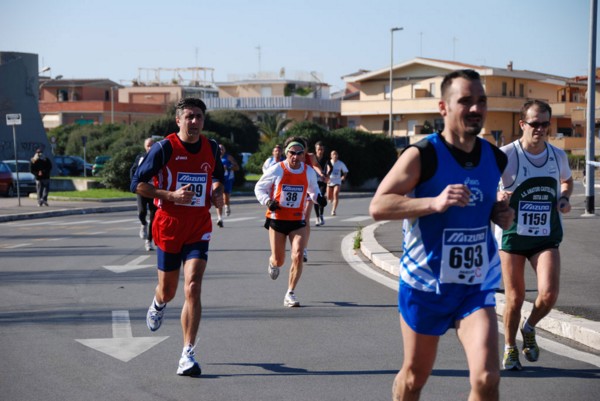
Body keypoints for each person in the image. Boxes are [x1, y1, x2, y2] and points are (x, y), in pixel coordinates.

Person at [369, 69, 514, 401]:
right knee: (415, 377)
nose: (475, 108)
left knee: (488, 377)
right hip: (425, 284)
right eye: (465, 101)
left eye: (481, 101)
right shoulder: (424, 155)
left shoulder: (494, 156)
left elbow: (488, 202)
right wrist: (433, 203)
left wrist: (499, 212)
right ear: (443, 107)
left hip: (474, 285)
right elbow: (379, 205)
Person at [130, 97, 224, 377]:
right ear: (178, 120)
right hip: (169, 224)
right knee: (169, 291)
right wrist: (169, 195)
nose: (194, 121)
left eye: (198, 116)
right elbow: (137, 184)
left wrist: (217, 190)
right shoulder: (164, 148)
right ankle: (158, 303)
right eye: (189, 117)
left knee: (193, 286)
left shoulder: (212, 147)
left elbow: (217, 175)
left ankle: (187, 353)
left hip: (198, 225)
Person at [496, 99, 573, 371]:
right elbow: (489, 185)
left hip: (545, 236)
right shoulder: (506, 155)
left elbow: (567, 180)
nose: (540, 129)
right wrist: (499, 196)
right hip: (513, 237)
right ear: (522, 124)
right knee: (515, 298)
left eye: (545, 124)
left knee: (549, 293)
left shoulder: (557, 156)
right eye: (534, 123)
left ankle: (529, 328)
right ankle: (510, 348)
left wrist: (563, 197)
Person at [254, 136, 326, 307]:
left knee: (298, 254)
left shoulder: (308, 171)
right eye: (292, 153)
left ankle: (290, 293)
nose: (295, 156)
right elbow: (259, 187)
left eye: (299, 153)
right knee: (280, 260)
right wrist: (267, 201)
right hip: (277, 219)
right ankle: (272, 261)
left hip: (297, 220)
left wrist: (319, 199)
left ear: (303, 155)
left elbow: (313, 191)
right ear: (287, 153)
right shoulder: (277, 169)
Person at [130, 138, 157, 251]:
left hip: (154, 191)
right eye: (148, 145)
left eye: (152, 145)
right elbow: (133, 171)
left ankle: (149, 241)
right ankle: (143, 224)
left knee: (153, 217)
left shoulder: (159, 157)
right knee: (142, 212)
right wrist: (134, 184)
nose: (150, 147)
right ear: (145, 147)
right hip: (142, 189)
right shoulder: (140, 157)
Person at [215, 144, 239, 227]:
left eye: (222, 149)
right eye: (219, 149)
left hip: (227, 179)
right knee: (218, 197)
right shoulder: (214, 156)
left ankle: (227, 206)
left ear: (224, 150)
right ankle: (219, 218)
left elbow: (236, 167)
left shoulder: (228, 157)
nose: (221, 150)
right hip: (217, 180)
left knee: (226, 196)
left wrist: (228, 167)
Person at [313, 141, 330, 226]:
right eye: (318, 149)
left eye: (321, 149)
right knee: (316, 199)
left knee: (321, 197)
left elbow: (330, 166)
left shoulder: (326, 158)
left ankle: (321, 215)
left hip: (322, 181)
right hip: (314, 181)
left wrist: (327, 174)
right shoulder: (313, 158)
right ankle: (317, 218)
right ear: (316, 150)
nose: (320, 151)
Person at [326, 150, 348, 216]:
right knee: (329, 197)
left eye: (336, 154)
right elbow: (324, 171)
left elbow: (345, 171)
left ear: (337, 156)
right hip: (330, 181)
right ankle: (330, 199)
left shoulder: (340, 163)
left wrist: (343, 176)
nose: (335, 156)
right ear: (331, 156)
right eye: (333, 154)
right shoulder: (328, 163)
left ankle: (333, 210)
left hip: (337, 181)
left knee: (335, 194)